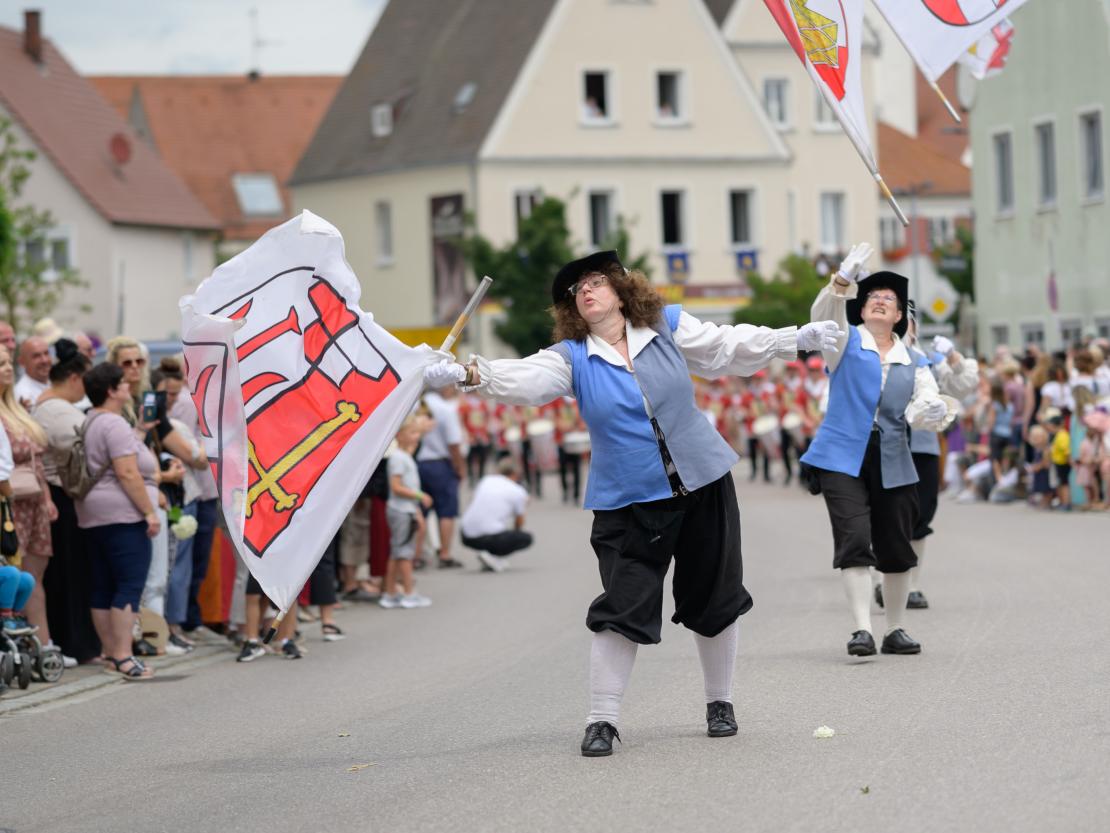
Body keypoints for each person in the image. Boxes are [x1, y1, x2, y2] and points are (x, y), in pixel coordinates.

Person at [423, 249, 842, 756]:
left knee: (715, 595)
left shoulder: (667, 326)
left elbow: (725, 347)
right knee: (622, 605)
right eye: (578, 291)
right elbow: (525, 380)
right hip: (628, 497)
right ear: (574, 310)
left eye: (596, 282)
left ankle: (719, 703)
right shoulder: (572, 357)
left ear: (621, 290)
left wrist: (793, 338)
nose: (587, 292)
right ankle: (602, 719)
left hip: (703, 479)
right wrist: (470, 374)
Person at [800, 245, 953, 659]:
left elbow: (925, 405)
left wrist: (932, 410)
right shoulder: (845, 342)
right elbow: (821, 319)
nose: (881, 301)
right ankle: (862, 629)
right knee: (854, 537)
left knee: (896, 543)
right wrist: (841, 282)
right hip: (841, 454)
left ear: (901, 316)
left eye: (890, 299)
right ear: (861, 309)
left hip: (893, 454)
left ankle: (896, 628)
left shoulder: (913, 361)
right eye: (873, 297)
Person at [76, 363, 161, 680]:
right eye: (123, 384)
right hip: (122, 514)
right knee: (128, 584)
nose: (129, 387)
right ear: (111, 390)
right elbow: (127, 472)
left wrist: (139, 430)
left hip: (93, 513)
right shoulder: (113, 424)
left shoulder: (92, 421)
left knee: (102, 586)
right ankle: (125, 656)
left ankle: (111, 654)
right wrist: (148, 512)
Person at [897, 311, 979, 610]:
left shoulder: (928, 358)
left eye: (907, 318)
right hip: (885, 446)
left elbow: (962, 387)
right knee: (887, 514)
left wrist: (954, 357)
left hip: (923, 445)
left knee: (922, 512)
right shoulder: (870, 356)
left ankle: (913, 585)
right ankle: (884, 581)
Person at [33, 339, 99, 663]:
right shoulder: (54, 410)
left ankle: (77, 640)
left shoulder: (54, 407)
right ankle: (71, 641)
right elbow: (89, 443)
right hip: (59, 494)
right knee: (67, 575)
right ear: (74, 378)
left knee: (71, 573)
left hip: (64, 494)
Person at [0, 345, 58, 650]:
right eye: (1, 365)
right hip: (11, 503)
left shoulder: (17, 408)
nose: (7, 369)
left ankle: (40, 643)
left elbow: (37, 460)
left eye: (8, 363)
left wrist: (47, 498)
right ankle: (15, 643)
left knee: (34, 577)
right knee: (13, 572)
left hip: (34, 500)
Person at [381, 416, 434, 609]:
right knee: (404, 553)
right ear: (399, 435)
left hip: (404, 509)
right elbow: (396, 487)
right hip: (401, 510)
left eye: (417, 433)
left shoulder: (404, 455)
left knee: (397, 552)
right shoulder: (398, 458)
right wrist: (420, 496)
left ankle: (390, 593)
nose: (416, 437)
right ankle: (409, 592)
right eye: (412, 433)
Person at [415, 386, 466, 569]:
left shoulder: (413, 406)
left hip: (417, 462)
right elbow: (453, 442)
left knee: (419, 511)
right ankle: (445, 554)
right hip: (440, 463)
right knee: (446, 511)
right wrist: (460, 467)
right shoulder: (445, 409)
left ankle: (416, 555)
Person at [459, 457, 533, 573]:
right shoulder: (518, 491)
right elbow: (520, 521)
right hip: (490, 536)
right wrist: (515, 532)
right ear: (515, 474)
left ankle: (491, 555)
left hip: (466, 534)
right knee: (526, 538)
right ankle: (493, 556)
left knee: (496, 529)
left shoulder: (486, 480)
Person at [14, 336, 52, 408]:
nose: (44, 360)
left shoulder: (56, 382)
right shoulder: (22, 395)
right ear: (22, 362)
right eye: (36, 356)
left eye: (46, 353)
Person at [1046, 413, 1071, 510]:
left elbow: (1066, 451)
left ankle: (1066, 503)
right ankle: (1063, 502)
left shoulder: (1062, 435)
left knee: (1064, 484)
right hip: (1058, 463)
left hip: (1063, 463)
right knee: (1061, 483)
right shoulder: (1058, 435)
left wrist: (1069, 461)